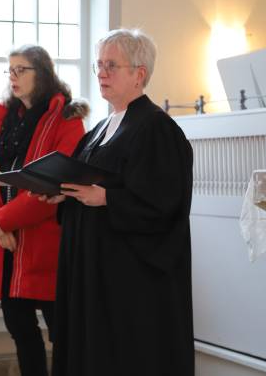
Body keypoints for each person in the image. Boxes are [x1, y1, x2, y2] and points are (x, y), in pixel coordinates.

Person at [45, 29, 195, 375]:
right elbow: (85, 184)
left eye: (112, 65)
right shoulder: (100, 128)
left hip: (128, 281)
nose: (102, 73)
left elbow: (165, 203)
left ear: (139, 74)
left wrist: (108, 198)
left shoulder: (157, 129)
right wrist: (61, 193)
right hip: (92, 270)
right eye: (99, 65)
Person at [0, 45, 88, 376]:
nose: (13, 77)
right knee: (20, 330)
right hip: (7, 244)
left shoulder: (66, 120)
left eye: (22, 69)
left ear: (43, 74)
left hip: (46, 245)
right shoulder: (5, 120)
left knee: (63, 334)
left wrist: (1, 221)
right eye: (10, 70)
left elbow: (53, 183)